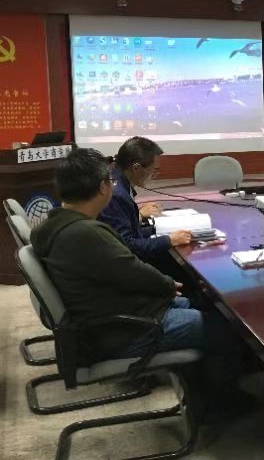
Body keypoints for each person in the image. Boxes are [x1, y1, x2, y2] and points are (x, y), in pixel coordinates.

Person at [29, 148, 251, 419]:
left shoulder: (50, 227)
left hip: (109, 318)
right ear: (103, 187)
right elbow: (135, 272)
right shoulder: (86, 233)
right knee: (225, 326)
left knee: (209, 306)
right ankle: (216, 407)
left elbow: (126, 272)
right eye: (110, 181)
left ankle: (202, 391)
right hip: (124, 331)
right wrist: (169, 285)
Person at [98, 137, 191, 280]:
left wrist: (157, 229)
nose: (154, 175)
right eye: (154, 170)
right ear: (136, 168)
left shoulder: (119, 182)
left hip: (124, 262)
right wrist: (169, 240)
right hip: (124, 272)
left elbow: (131, 232)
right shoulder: (116, 195)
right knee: (180, 270)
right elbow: (128, 246)